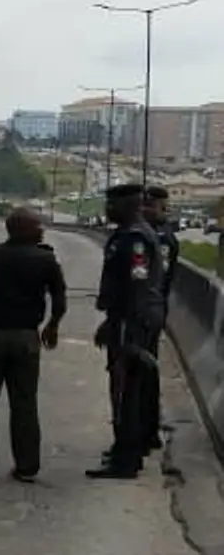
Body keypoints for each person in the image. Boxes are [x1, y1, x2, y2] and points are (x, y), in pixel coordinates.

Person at [0, 206, 67, 483]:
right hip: (26, 339)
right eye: (37, 225)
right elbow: (60, 297)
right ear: (23, 229)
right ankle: (27, 467)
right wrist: (52, 325)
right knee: (24, 404)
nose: (42, 229)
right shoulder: (46, 260)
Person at [87, 182, 166, 480]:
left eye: (112, 204)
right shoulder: (128, 234)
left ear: (129, 206)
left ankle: (125, 459)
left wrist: (114, 322)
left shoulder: (135, 239)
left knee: (126, 389)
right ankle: (131, 447)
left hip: (132, 321)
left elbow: (137, 282)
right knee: (133, 387)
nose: (107, 210)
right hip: (133, 317)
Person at [138, 185, 180, 453]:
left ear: (163, 208)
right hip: (150, 309)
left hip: (148, 311)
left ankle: (147, 431)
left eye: (151, 206)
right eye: (143, 205)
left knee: (144, 374)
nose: (145, 210)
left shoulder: (161, 238)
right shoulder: (149, 234)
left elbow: (154, 278)